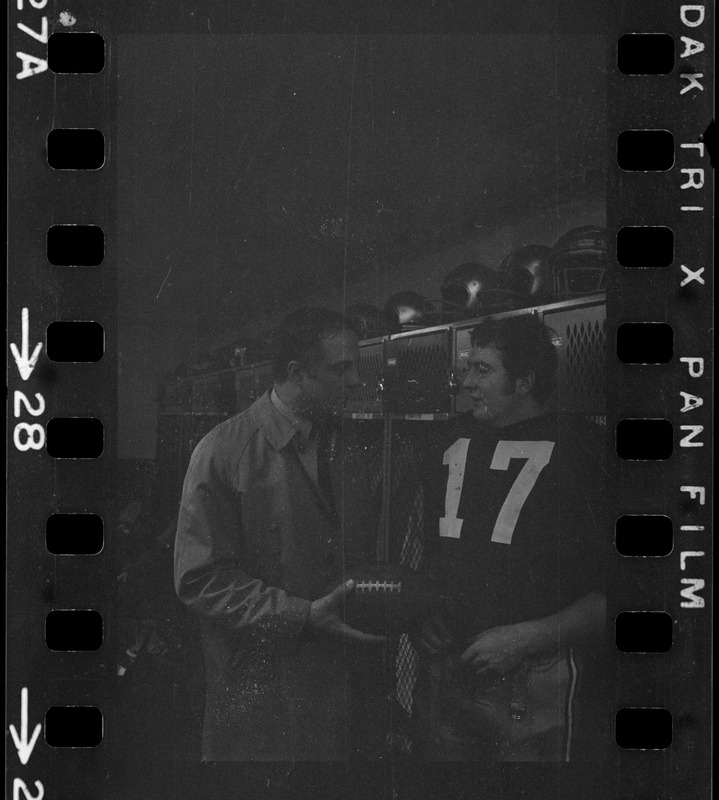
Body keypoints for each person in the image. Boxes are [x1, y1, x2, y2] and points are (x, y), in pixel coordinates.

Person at [174, 307, 386, 761]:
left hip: (337, 688)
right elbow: (199, 580)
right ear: (297, 374)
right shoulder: (222, 451)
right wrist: (302, 615)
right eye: (341, 368)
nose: (355, 382)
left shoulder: (348, 444)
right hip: (261, 696)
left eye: (356, 365)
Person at [414, 314, 609, 763]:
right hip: (447, 670)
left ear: (524, 382)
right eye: (467, 368)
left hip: (535, 682)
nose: (466, 383)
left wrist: (530, 637)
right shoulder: (446, 440)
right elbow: (424, 553)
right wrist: (418, 613)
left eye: (483, 370)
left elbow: (623, 590)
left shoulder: (583, 451)